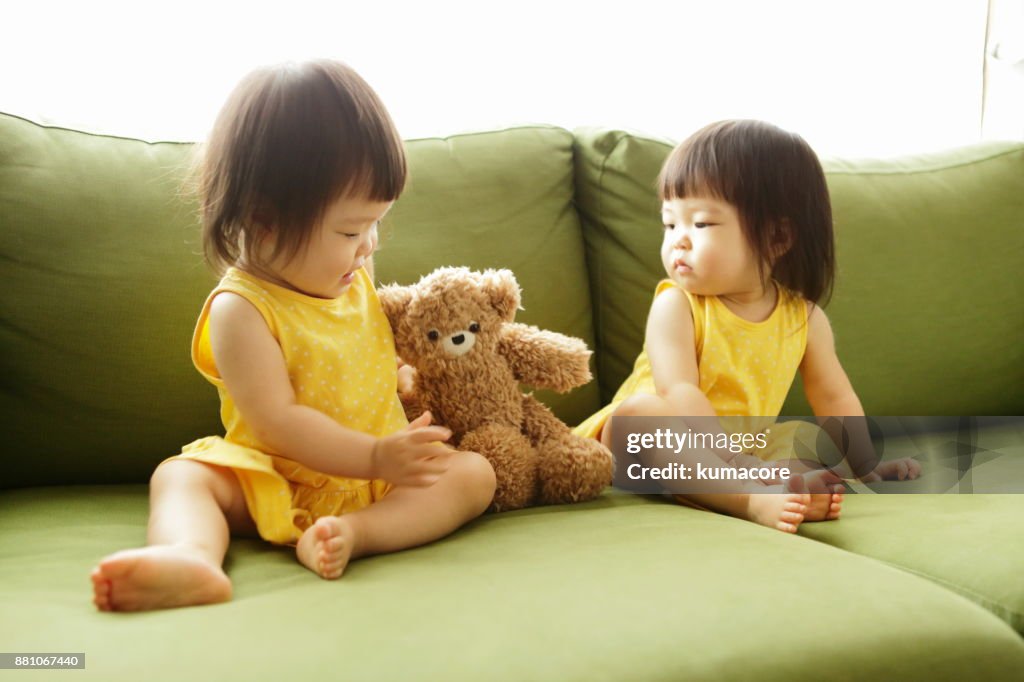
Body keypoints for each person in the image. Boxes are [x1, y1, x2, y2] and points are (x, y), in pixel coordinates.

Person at [90, 60, 496, 612]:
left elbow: (366, 346)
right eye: (351, 230)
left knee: (474, 475)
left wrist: (401, 380)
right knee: (182, 477)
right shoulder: (243, 309)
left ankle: (354, 533)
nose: (369, 245)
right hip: (270, 480)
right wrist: (375, 455)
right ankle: (189, 556)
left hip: (375, 484)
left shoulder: (352, 276)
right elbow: (276, 422)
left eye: (376, 224)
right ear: (264, 221)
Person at [574, 120, 920, 533]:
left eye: (700, 224)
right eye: (670, 224)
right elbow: (677, 391)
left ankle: (789, 494)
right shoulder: (677, 305)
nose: (679, 241)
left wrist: (865, 465)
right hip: (641, 449)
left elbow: (833, 394)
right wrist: (734, 463)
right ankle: (746, 497)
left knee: (799, 439)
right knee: (642, 414)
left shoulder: (804, 319)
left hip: (740, 449)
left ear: (777, 237)